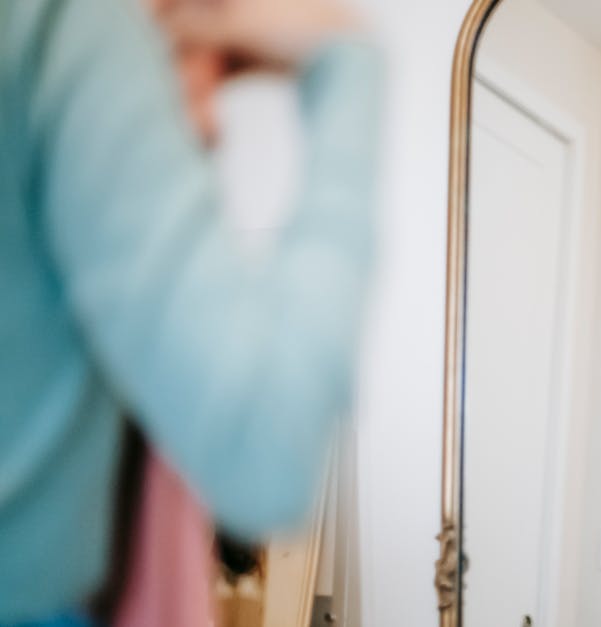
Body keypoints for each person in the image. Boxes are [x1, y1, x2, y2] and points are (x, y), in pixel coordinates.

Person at [0, 0, 381, 624]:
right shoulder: (61, 26)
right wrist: (348, 61)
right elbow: (271, 454)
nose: (216, 119)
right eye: (190, 42)